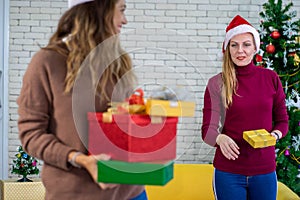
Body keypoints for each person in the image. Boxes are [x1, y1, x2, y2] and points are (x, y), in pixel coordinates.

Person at [17, 0, 147, 199]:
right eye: (121, 10)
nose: (125, 20)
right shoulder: (47, 62)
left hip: (132, 192)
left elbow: (124, 123)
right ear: (99, 10)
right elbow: (31, 133)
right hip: (77, 194)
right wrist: (80, 159)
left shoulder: (119, 62)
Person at [201, 15, 288, 200]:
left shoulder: (270, 78)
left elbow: (282, 121)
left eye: (246, 44)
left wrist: (274, 135)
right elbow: (207, 131)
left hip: (264, 170)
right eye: (234, 45)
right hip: (228, 172)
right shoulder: (216, 83)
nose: (240, 51)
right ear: (227, 48)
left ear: (255, 48)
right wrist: (220, 138)